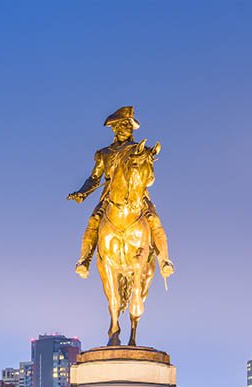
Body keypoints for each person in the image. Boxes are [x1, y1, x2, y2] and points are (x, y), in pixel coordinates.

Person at [67, 106, 174, 280]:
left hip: (137, 195)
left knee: (153, 219)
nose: (127, 128)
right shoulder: (104, 154)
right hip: (110, 196)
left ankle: (164, 260)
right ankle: (85, 258)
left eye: (129, 125)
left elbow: (150, 177)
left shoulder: (141, 151)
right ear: (115, 128)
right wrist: (82, 193)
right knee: (94, 219)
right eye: (124, 124)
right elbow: (94, 178)